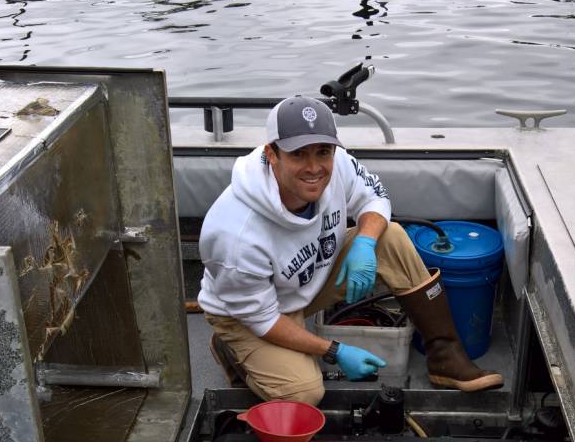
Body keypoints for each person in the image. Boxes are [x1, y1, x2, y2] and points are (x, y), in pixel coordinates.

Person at [197, 95, 502, 406]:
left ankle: (445, 355)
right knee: (304, 394)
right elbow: (262, 319)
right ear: (271, 154)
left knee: (391, 236)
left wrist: (366, 242)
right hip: (249, 316)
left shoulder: (338, 162)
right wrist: (334, 350)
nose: (314, 167)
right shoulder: (234, 235)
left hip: (304, 280)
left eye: (322, 151)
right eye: (298, 154)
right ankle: (230, 349)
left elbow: (375, 199)